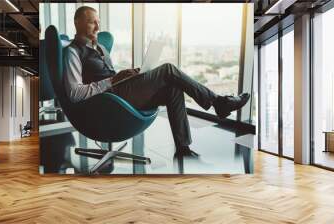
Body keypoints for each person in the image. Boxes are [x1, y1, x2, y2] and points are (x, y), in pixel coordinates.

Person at [63, 6, 250, 157]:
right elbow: (74, 94)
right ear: (77, 23)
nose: (97, 27)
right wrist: (113, 80)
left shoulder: (101, 47)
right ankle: (219, 103)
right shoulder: (72, 52)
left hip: (119, 92)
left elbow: (109, 75)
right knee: (168, 69)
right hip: (107, 101)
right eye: (91, 23)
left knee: (172, 88)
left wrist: (129, 75)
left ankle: (183, 148)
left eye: (98, 22)